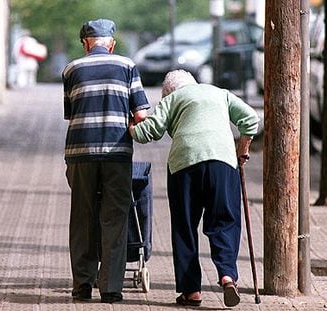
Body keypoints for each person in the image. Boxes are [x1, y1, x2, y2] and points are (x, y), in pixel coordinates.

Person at [129, 70, 259, 308]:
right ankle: (227, 275)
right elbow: (250, 119)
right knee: (225, 221)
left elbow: (150, 132)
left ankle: (191, 292)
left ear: (168, 91)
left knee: (184, 226)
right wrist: (243, 147)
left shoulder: (172, 99)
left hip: (184, 164)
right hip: (223, 163)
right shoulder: (220, 93)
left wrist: (131, 128)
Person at [62, 18, 150, 304]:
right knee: (115, 217)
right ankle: (111, 288)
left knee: (82, 218)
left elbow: (71, 111)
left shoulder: (71, 69)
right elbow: (141, 116)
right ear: (111, 43)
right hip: (116, 155)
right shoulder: (127, 67)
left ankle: (82, 287)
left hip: (80, 154)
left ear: (86, 43)